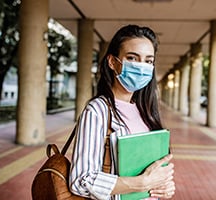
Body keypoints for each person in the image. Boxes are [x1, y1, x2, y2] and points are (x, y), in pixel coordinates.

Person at [69, 24, 175, 200]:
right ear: (112, 62)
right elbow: (80, 180)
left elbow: (151, 169)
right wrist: (141, 183)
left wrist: (164, 186)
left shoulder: (145, 110)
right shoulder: (97, 111)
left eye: (148, 61)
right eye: (133, 58)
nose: (142, 67)